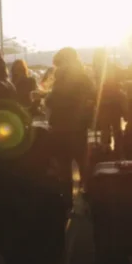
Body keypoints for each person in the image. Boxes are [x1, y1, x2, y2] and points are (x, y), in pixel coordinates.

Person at [46, 47, 94, 213]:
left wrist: (46, 99)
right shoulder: (83, 77)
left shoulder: (63, 79)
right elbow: (92, 96)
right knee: (82, 163)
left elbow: (55, 100)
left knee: (64, 166)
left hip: (62, 127)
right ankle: (87, 196)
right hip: (77, 127)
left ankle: (67, 202)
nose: (58, 67)